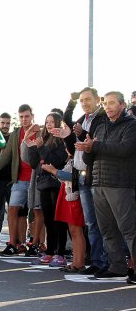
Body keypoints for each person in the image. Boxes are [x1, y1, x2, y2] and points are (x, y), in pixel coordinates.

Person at [80, 91, 136, 283]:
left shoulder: (131, 125)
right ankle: (117, 266)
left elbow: (124, 150)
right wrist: (88, 149)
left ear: (122, 105)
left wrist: (95, 146)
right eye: (105, 104)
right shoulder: (100, 126)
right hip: (98, 183)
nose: (108, 107)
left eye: (112, 103)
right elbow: (89, 157)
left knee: (128, 229)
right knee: (107, 229)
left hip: (120, 184)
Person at [64, 87, 109, 275]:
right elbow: (73, 143)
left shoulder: (102, 118)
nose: (84, 103)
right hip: (81, 177)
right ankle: (96, 261)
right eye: (81, 100)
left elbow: (95, 145)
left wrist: (82, 134)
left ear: (98, 99)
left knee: (102, 222)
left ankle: (104, 261)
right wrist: (71, 103)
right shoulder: (83, 119)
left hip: (97, 176)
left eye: (87, 99)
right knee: (90, 223)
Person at [0, 104, 39, 256]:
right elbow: (6, 155)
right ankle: (13, 244)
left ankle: (35, 244)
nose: (24, 119)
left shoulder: (41, 131)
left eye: (27, 116)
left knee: (36, 212)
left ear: (32, 116)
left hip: (36, 179)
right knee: (13, 210)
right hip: (20, 179)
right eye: (21, 117)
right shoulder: (16, 133)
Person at [26, 112, 68, 267]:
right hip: (43, 183)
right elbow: (34, 164)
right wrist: (32, 147)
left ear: (58, 123)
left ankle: (61, 253)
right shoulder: (43, 139)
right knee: (49, 220)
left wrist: (42, 148)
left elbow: (55, 161)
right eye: (47, 121)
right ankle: (50, 251)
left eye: (52, 121)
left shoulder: (62, 140)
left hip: (57, 183)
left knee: (59, 221)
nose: (49, 124)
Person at [0, 113, 14, 249]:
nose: (5, 126)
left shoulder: (13, 138)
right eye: (3, 123)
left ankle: (14, 242)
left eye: (7, 123)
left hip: (11, 180)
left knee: (13, 212)